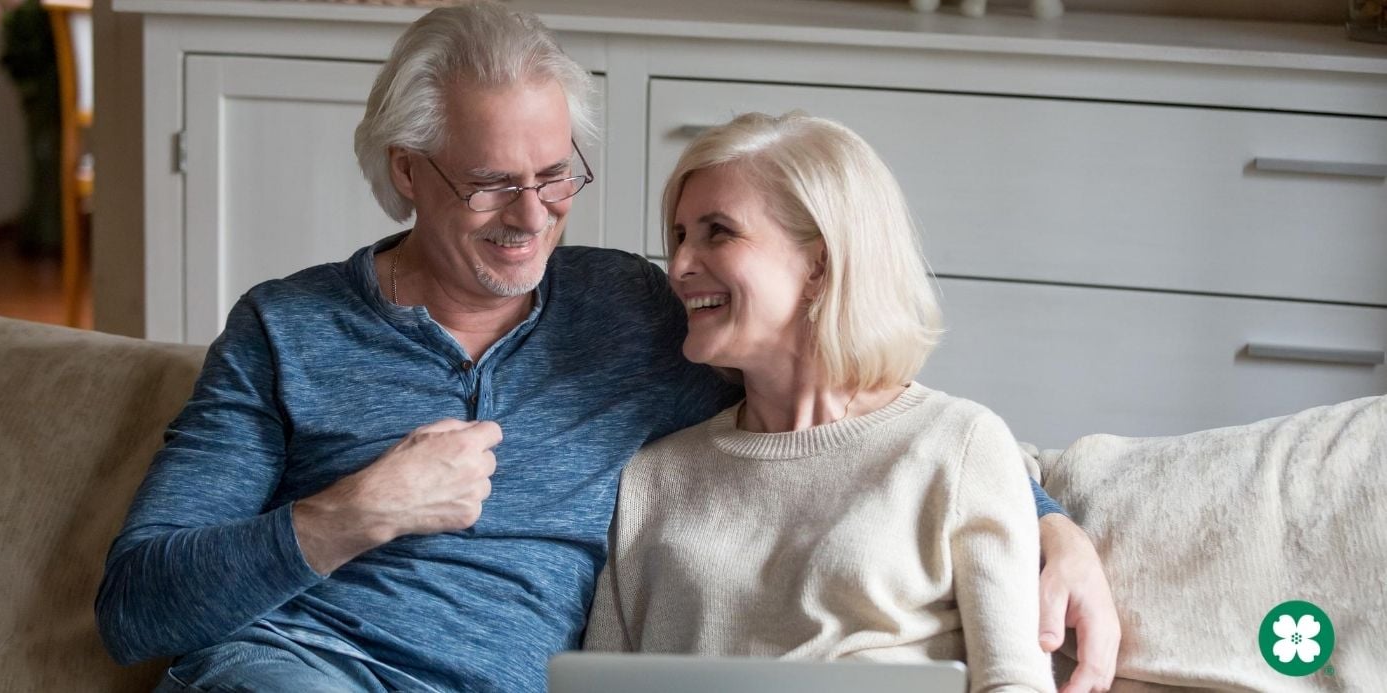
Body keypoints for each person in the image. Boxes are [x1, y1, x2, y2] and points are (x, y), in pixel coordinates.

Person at [94, 3, 1116, 692]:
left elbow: (844, 398)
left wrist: (1041, 520)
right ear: (406, 171)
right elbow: (138, 609)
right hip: (304, 670)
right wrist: (351, 515)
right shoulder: (287, 328)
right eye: (489, 182)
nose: (529, 218)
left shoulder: (633, 310)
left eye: (555, 176)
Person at [583, 112, 1058, 691]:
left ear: (819, 265)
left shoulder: (957, 444)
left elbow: (1014, 682)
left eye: (718, 232)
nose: (679, 266)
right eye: (680, 236)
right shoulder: (652, 477)